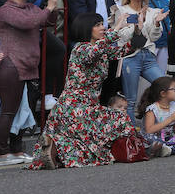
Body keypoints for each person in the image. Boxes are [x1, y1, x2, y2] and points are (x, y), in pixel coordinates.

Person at [29, 13, 142, 169]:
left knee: (90, 141)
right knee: (118, 121)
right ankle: (55, 145)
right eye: (97, 25)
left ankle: (54, 145)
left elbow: (128, 50)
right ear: (86, 28)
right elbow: (95, 51)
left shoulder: (101, 50)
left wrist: (138, 30)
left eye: (103, 24)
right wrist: (116, 28)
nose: (102, 28)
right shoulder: (81, 49)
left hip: (87, 107)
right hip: (74, 108)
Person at [0, 0, 64, 164]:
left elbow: (48, 21)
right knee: (9, 110)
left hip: (29, 66)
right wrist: (48, 5)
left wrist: (52, 1)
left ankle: (17, 150)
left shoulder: (30, 7)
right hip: (11, 65)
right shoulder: (5, 10)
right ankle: (2, 153)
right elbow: (29, 23)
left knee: (25, 110)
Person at [112, 0, 168, 128]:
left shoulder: (152, 11)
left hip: (148, 55)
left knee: (165, 86)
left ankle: (157, 125)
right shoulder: (122, 11)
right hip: (130, 56)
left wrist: (156, 23)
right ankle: (131, 133)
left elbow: (154, 37)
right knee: (130, 99)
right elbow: (122, 37)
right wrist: (138, 25)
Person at [139, 76, 175, 154]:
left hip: (171, 138)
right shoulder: (153, 109)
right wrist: (171, 119)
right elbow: (149, 130)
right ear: (163, 93)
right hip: (156, 138)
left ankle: (167, 149)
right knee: (148, 138)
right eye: (173, 89)